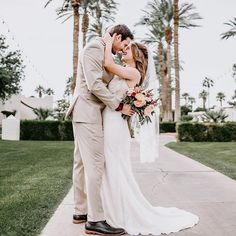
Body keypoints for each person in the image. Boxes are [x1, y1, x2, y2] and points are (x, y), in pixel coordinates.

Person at [101, 32, 199, 235]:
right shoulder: (124, 70)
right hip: (110, 120)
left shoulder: (134, 73)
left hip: (115, 124)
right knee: (110, 165)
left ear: (136, 56)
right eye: (124, 47)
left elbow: (108, 65)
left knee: (114, 165)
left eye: (128, 48)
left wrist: (108, 42)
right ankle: (110, 208)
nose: (124, 49)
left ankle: (117, 213)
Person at [66, 24, 134, 235]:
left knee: (81, 164)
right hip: (88, 113)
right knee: (95, 164)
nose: (124, 49)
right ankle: (95, 220)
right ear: (117, 37)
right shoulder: (95, 48)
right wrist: (119, 105)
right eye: (125, 44)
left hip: (85, 113)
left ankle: (80, 211)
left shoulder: (102, 50)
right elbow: (95, 85)